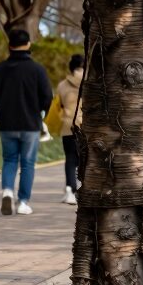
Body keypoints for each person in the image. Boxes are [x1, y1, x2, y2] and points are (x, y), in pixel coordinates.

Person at [0, 28, 53, 215]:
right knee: (27, 163)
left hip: (6, 123)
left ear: (10, 46)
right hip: (30, 123)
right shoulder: (37, 70)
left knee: (9, 159)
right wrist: (41, 112)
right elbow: (47, 96)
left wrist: (2, 105)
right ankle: (23, 202)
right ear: (28, 44)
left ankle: (7, 191)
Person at [56, 53, 85, 204]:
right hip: (85, 126)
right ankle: (82, 187)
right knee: (84, 158)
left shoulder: (62, 85)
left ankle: (69, 190)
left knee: (70, 158)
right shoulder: (90, 83)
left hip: (68, 125)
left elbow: (58, 104)